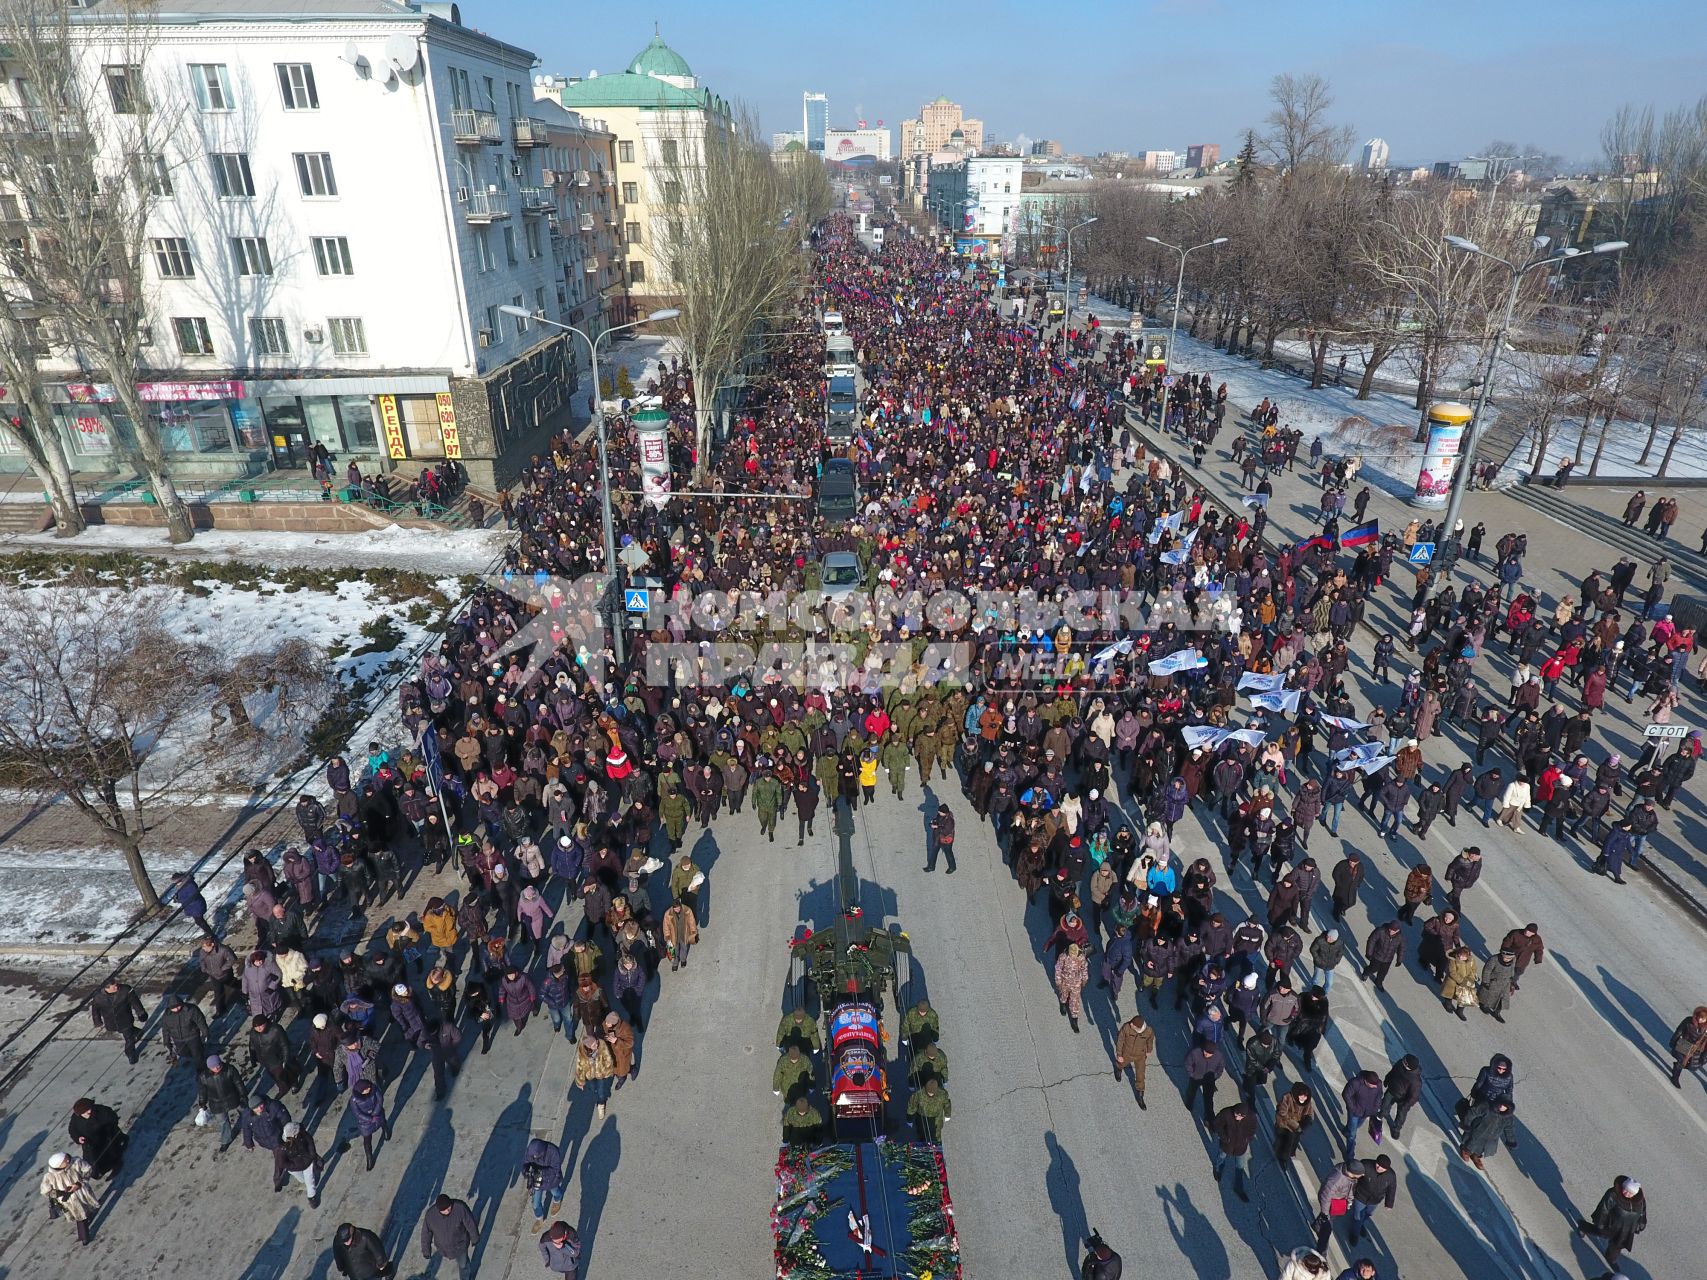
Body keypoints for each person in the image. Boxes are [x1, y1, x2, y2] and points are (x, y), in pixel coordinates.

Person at [1576, 1175, 1647, 1267]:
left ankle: (1611, 1259)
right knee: (1601, 1233)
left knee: (1618, 1244)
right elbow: (1604, 1208)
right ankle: (1584, 1226)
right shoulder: (1613, 1194)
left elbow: (1642, 1213)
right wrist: (1600, 1222)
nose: (1626, 1193)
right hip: (1611, 1223)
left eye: (1630, 1192)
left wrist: (1641, 1224)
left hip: (1627, 1228)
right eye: (1625, 1189)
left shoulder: (1640, 1201)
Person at [40, 1151, 98, 1246]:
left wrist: (79, 1184)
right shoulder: (49, 1176)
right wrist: (61, 1193)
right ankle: (84, 1237)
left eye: (66, 1158)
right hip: (69, 1201)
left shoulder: (76, 1162)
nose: (67, 1160)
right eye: (64, 1161)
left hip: (83, 1193)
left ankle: (88, 1219)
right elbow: (45, 1191)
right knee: (79, 1216)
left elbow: (88, 1170)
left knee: (85, 1208)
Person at [420, 1194, 480, 1280]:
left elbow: (470, 1223)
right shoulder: (430, 1215)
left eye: (449, 1207)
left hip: (460, 1245)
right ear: (439, 1209)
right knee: (462, 1262)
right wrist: (426, 1250)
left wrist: (475, 1238)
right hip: (443, 1248)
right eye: (445, 1210)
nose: (448, 1210)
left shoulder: (460, 1208)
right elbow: (426, 1234)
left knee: (463, 1265)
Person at [89, 977, 147, 1065]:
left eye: (116, 985)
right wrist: (97, 1021)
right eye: (114, 986)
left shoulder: (125, 990)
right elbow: (95, 1010)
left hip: (125, 1019)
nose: (117, 987)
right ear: (107, 988)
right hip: (111, 1022)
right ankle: (137, 1032)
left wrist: (141, 1013)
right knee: (127, 1032)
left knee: (129, 1039)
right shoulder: (98, 997)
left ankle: (130, 1054)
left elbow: (135, 1002)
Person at [68, 1097, 126, 1179]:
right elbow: (72, 1130)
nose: (89, 1111)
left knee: (111, 1152)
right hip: (90, 1142)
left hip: (106, 1137)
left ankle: (116, 1164)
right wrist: (78, 1138)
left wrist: (108, 1129)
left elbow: (113, 1118)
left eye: (89, 1109)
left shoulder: (101, 1110)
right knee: (93, 1158)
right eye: (85, 1111)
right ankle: (98, 1171)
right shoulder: (75, 1119)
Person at [1211, 1099, 1257, 1200]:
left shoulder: (1251, 1117)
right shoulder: (1226, 1113)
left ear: (1244, 1116)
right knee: (1221, 1156)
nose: (1237, 1117)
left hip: (1241, 1146)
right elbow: (1217, 1124)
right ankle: (1218, 1169)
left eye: (1240, 1116)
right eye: (1236, 1114)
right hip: (1227, 1144)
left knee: (1240, 1167)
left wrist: (1247, 1139)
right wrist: (1224, 1137)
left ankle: (1238, 1187)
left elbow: (1252, 1129)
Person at [1348, 1154, 1397, 1244]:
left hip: (1375, 1201)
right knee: (1358, 1216)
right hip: (1361, 1196)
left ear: (1387, 1169)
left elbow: (1392, 1189)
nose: (1379, 1167)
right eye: (1378, 1164)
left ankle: (1360, 1225)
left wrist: (1389, 1204)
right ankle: (1354, 1234)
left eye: (1382, 1167)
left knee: (1368, 1214)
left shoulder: (1391, 1176)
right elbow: (1355, 1176)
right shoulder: (1366, 1164)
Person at [274, 1121, 322, 1207]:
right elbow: (281, 1163)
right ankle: (306, 1182)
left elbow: (309, 1141)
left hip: (308, 1161)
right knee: (302, 1180)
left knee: (310, 1181)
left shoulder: (301, 1132)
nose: (298, 1134)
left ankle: (312, 1198)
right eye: (296, 1134)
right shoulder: (282, 1148)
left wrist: (312, 1155)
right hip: (295, 1168)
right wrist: (294, 1166)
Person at [1113, 1011, 1155, 1108]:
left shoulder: (1148, 1031)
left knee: (1140, 1075)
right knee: (1121, 1063)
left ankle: (1140, 1096)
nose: (1131, 1024)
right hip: (1127, 1053)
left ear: (1138, 1027)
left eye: (1133, 1024)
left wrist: (1149, 1049)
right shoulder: (1126, 1028)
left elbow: (1150, 1040)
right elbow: (1120, 1040)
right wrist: (1119, 1054)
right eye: (1131, 1022)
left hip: (1140, 1056)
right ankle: (1118, 1069)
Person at [522, 1137, 565, 1224]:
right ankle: (539, 1219)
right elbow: (526, 1162)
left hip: (551, 1180)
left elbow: (556, 1169)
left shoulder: (553, 1151)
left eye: (535, 1156)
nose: (533, 1157)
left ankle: (557, 1201)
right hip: (536, 1180)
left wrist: (541, 1172)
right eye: (532, 1156)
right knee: (535, 1203)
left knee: (555, 1192)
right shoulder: (530, 1151)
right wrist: (525, 1171)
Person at [1669, 1004, 1707, 1087]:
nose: (1700, 1019)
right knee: (1681, 1061)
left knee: (1690, 1066)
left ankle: (1677, 1067)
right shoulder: (1688, 1021)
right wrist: (1673, 1042)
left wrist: (1704, 1058)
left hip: (1696, 1049)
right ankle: (1675, 1077)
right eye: (1699, 1017)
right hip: (1685, 1044)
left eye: (1702, 1018)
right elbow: (1679, 1031)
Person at [1275, 1082, 1315, 1160]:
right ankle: (1283, 1158)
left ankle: (1291, 1152)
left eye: (1305, 1096)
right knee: (1288, 1140)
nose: (1303, 1098)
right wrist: (1295, 1125)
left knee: (1295, 1140)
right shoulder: (1287, 1098)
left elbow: (1310, 1112)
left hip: (1297, 1126)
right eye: (1301, 1096)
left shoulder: (1307, 1102)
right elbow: (1282, 1113)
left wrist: (1308, 1120)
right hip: (1284, 1124)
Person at [908, 1076, 952, 1141]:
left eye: (932, 1092)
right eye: (929, 1092)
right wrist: (910, 1118)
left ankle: (937, 1143)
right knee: (921, 1132)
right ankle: (922, 1142)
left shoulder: (942, 1094)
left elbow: (947, 1104)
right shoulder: (919, 1094)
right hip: (922, 1116)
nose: (930, 1094)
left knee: (936, 1133)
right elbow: (912, 1106)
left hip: (937, 1118)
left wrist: (947, 1114)